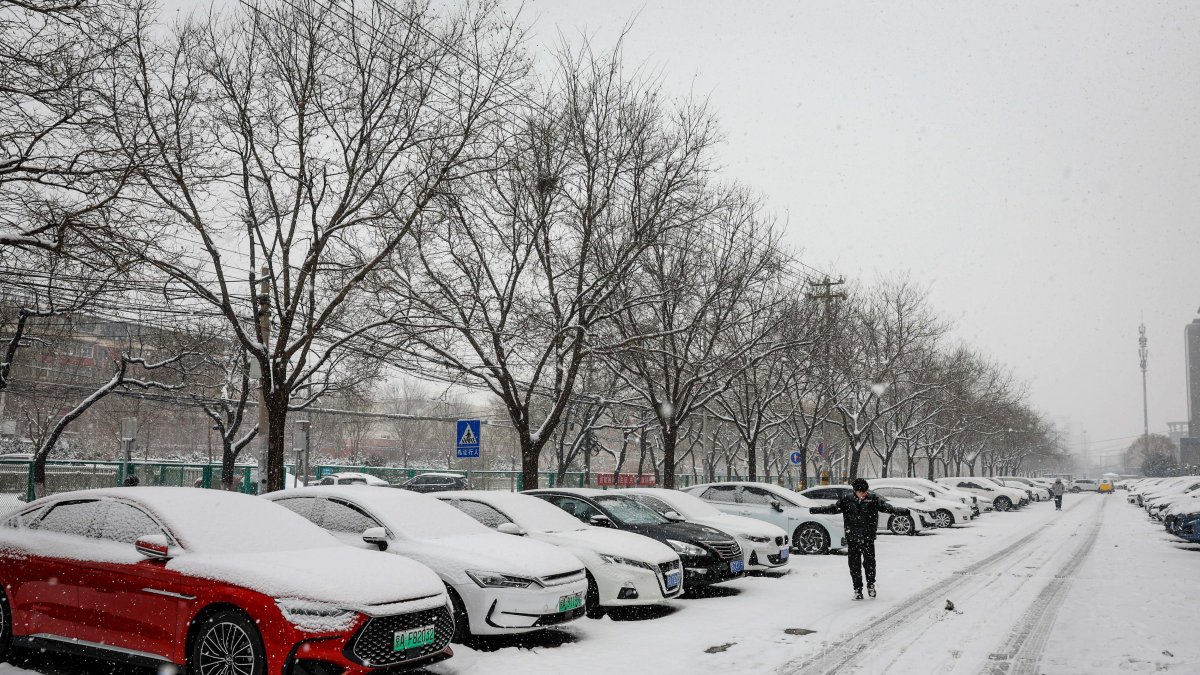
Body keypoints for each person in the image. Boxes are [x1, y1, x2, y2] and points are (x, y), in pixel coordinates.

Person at [810, 477, 911, 600]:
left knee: (869, 563)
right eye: (861, 492)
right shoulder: (847, 500)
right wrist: (815, 510)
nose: (864, 494)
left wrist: (903, 511)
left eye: (865, 491)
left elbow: (887, 508)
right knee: (854, 565)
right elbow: (833, 509)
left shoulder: (873, 499)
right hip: (852, 537)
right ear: (855, 491)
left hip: (868, 537)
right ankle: (857, 590)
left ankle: (871, 585)